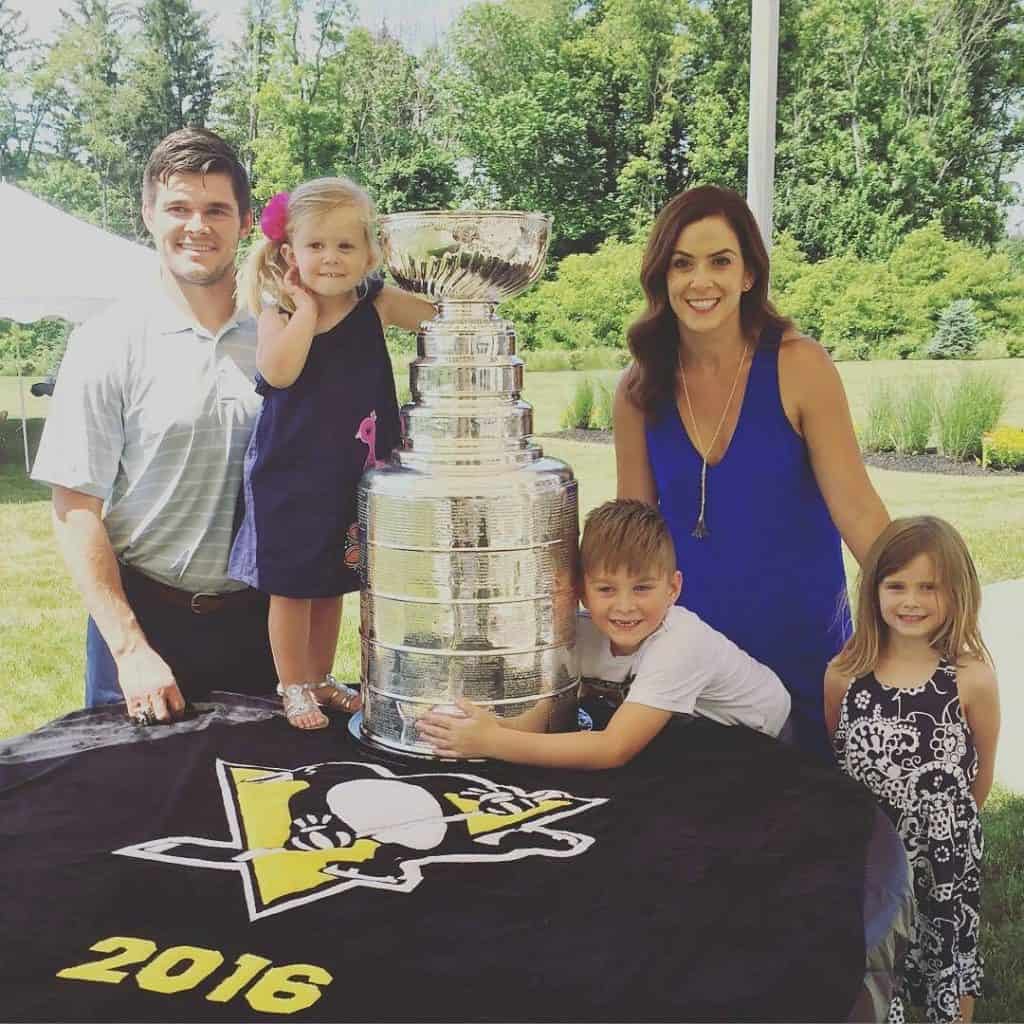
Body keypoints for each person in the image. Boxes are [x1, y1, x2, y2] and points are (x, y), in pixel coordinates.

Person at [614, 185, 889, 758]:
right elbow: (634, 542)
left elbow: (859, 510)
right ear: (663, 276)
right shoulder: (637, 390)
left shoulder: (799, 365)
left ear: (748, 275)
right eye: (682, 263)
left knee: (812, 834)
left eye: (721, 261)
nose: (700, 281)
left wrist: (931, 604)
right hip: (695, 673)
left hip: (805, 652)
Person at [31, 127, 277, 724]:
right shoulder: (106, 342)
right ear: (148, 216)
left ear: (245, 221)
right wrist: (130, 648)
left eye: (217, 209)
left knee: (255, 808)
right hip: (145, 625)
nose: (198, 225)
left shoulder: (283, 336)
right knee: (131, 812)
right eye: (178, 208)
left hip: (262, 625)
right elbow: (75, 504)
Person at [227, 177, 435, 731]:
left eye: (346, 246)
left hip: (356, 476)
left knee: (333, 583)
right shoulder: (278, 312)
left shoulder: (377, 304)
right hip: (290, 477)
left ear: (371, 253)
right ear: (289, 252)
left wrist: (441, 272)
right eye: (316, 245)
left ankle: (319, 675)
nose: (332, 258)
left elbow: (437, 316)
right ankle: (292, 683)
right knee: (294, 587)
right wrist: (302, 310)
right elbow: (280, 371)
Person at [417, 500, 791, 767]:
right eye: (606, 589)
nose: (625, 607)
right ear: (582, 591)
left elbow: (614, 749)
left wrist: (494, 742)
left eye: (642, 588)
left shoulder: (682, 643)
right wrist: (481, 728)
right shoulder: (577, 633)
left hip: (756, 737)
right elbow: (539, 722)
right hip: (681, 731)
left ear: (673, 589)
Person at [826, 517, 1000, 1024]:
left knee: (950, 954)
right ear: (874, 589)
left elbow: (980, 773)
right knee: (882, 962)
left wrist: (949, 833)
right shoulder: (844, 675)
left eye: (929, 587)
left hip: (947, 857)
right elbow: (844, 758)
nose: (911, 601)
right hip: (874, 857)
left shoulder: (971, 678)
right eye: (896, 585)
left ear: (957, 591)